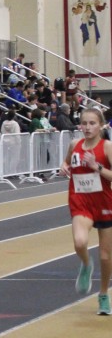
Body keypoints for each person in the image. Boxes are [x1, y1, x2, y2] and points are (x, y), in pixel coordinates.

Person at [61, 107, 112, 315]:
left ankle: (103, 294)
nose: (88, 127)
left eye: (92, 123)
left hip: (104, 203)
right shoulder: (75, 145)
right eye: (84, 123)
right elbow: (66, 161)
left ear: (101, 125)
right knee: (80, 242)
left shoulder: (107, 147)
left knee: (105, 256)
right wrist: (64, 166)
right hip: (80, 201)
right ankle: (86, 263)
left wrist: (96, 166)